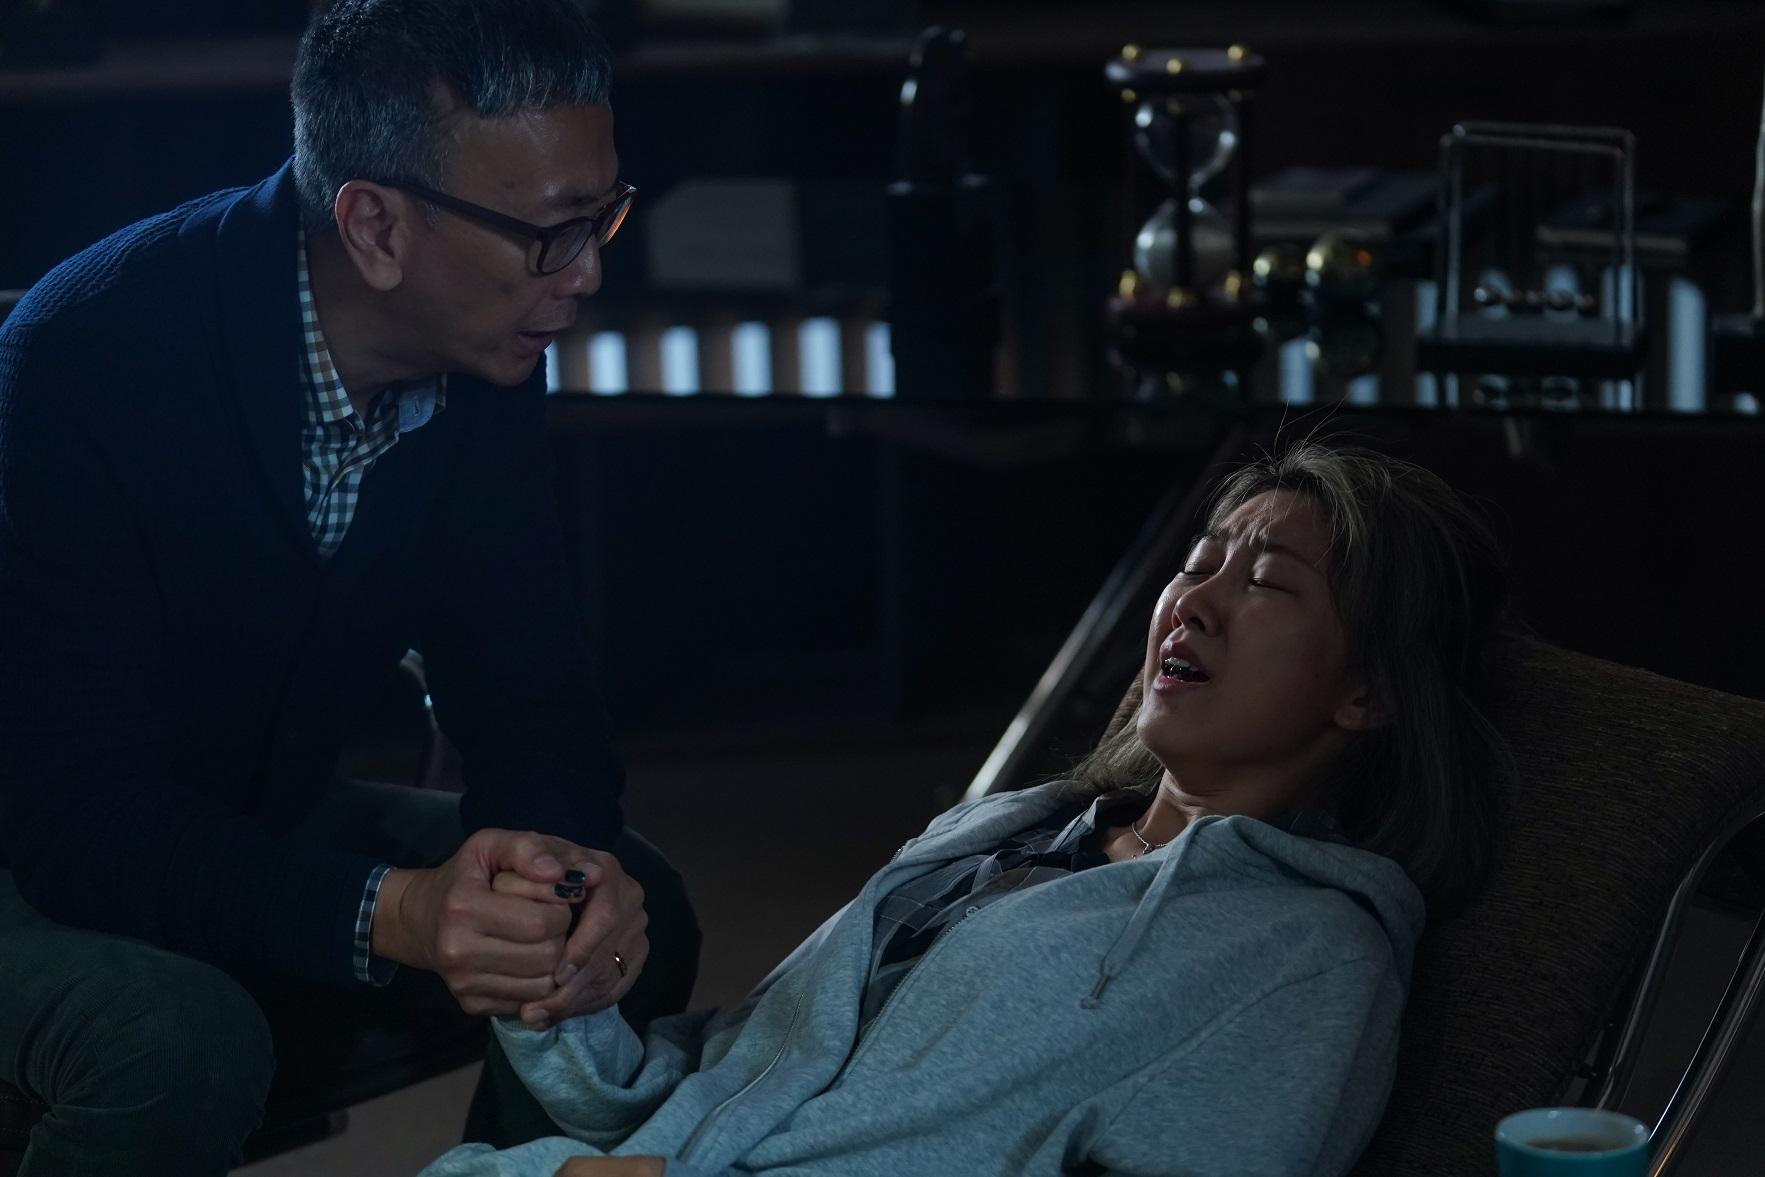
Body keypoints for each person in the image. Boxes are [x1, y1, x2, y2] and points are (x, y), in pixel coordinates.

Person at [0, 1, 697, 1172]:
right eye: (550, 234)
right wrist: (398, 910)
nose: (585, 275)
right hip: (34, 835)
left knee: (631, 913)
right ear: (374, 225)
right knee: (178, 1040)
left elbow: (528, 688)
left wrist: (562, 872)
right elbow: (76, 820)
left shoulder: (489, 347)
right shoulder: (91, 354)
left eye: (602, 217)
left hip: (229, 807)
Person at [418, 442, 1514, 1177]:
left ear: (1367, 691)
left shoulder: (1309, 951)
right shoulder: (1001, 834)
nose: (1195, 602)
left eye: (1265, 582)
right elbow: (727, 1082)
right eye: (1197, 563)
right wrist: (559, 990)